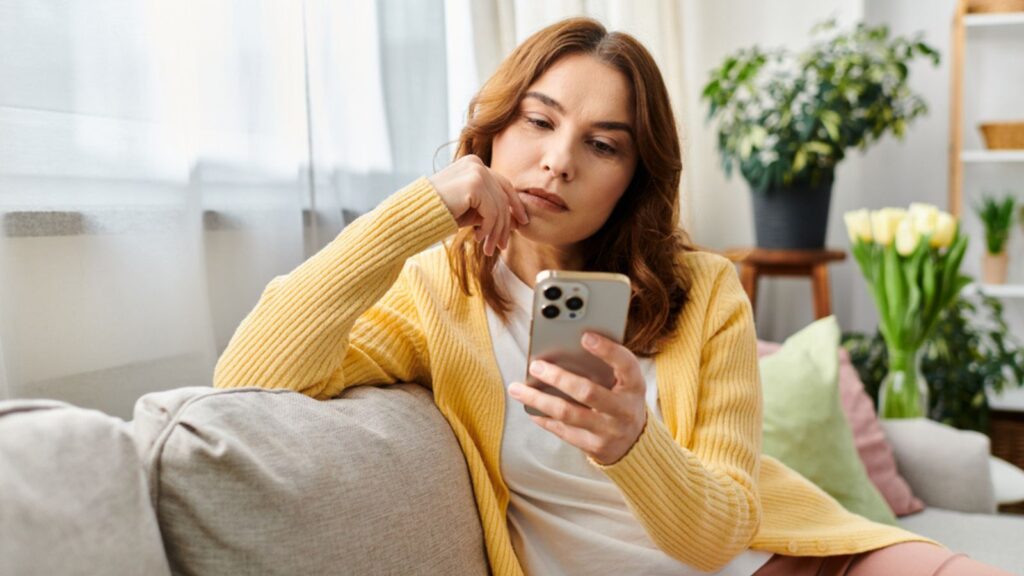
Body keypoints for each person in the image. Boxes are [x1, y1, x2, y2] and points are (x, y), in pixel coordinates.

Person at [214, 17, 1011, 576]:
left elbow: (719, 533)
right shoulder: (438, 294)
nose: (559, 162)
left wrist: (635, 444)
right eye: (538, 121)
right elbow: (248, 377)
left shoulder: (707, 293)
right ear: (492, 132)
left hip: (806, 559)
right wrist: (416, 210)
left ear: (634, 177)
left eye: (603, 145)